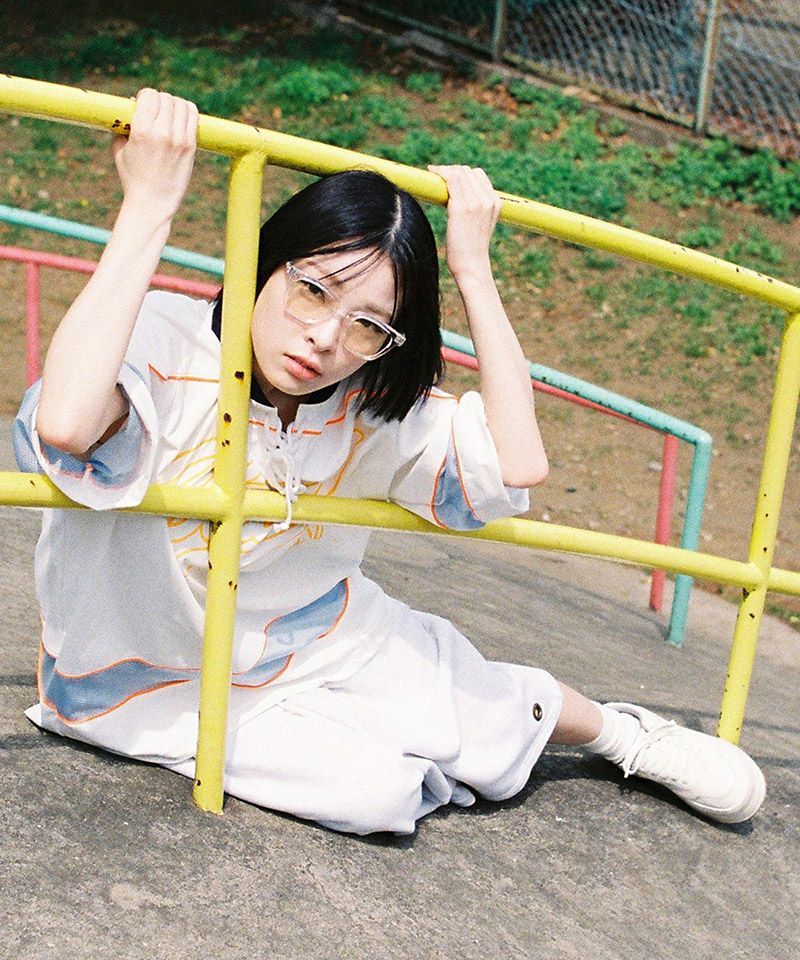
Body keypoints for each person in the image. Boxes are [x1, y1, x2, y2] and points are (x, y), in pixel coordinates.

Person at [14, 89, 765, 834]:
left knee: (468, 701)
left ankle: (623, 735)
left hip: (320, 639)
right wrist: (148, 206)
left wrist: (474, 270)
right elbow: (69, 424)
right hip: (145, 682)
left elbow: (518, 463)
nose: (324, 338)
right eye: (313, 290)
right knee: (375, 795)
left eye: (368, 324)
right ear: (266, 262)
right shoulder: (167, 344)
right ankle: (412, 737)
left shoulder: (364, 402)